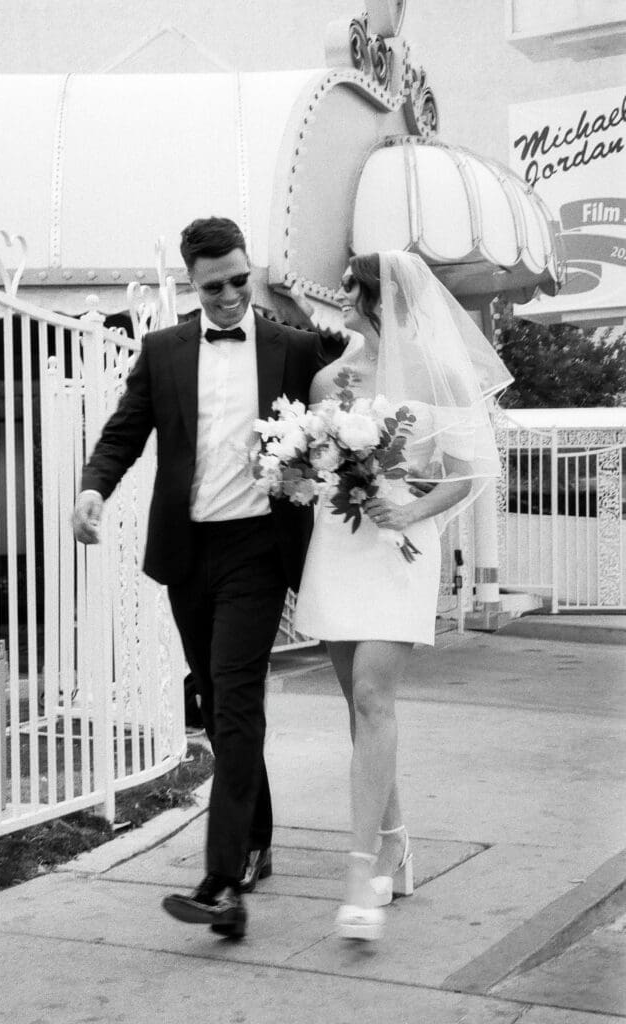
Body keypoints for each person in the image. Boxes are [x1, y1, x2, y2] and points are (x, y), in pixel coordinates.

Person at [73, 217, 329, 939]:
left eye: (238, 281)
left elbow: (364, 367)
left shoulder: (295, 347)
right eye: (213, 286)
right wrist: (94, 487)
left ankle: (221, 881)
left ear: (251, 271)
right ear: (192, 283)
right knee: (217, 703)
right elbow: (125, 432)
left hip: (258, 549)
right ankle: (257, 837)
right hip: (188, 553)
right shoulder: (162, 351)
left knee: (238, 699)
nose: (227, 297)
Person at [293, 250, 512, 941]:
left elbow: (468, 472)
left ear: (373, 297)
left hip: (398, 549)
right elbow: (310, 461)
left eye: (351, 292)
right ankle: (394, 843)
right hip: (338, 545)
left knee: (371, 698)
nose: (342, 300)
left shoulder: (438, 373)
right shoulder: (332, 375)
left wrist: (412, 512)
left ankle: (360, 874)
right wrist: (306, 467)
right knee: (357, 712)